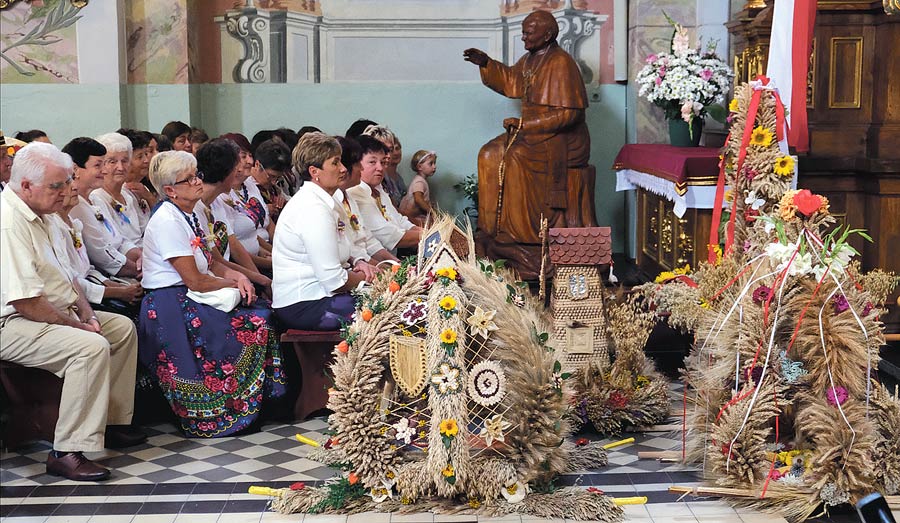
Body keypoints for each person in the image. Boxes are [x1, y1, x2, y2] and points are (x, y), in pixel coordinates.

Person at [1, 142, 143, 481]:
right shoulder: (9, 223)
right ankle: (66, 451)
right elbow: (26, 302)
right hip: (11, 322)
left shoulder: (45, 213)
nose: (66, 192)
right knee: (88, 347)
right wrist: (78, 328)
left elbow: (69, 276)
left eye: (67, 182)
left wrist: (87, 314)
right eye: (57, 186)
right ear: (26, 185)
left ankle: (109, 422)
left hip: (48, 311)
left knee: (120, 329)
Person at [138, 150, 286, 437]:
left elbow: (213, 261)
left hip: (197, 293)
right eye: (189, 179)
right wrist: (233, 285)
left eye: (197, 176)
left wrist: (240, 277)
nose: (197, 182)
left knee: (262, 311)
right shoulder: (167, 220)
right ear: (170, 190)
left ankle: (259, 404)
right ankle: (222, 412)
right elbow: (194, 280)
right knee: (253, 323)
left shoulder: (193, 212)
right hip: (172, 303)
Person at [464, 10, 593, 279]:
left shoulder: (561, 63)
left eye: (528, 33)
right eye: (523, 32)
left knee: (514, 159)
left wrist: (526, 124)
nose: (523, 37)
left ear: (547, 35)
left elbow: (570, 115)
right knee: (489, 154)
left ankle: (524, 236)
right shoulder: (532, 59)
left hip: (561, 138)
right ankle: (491, 230)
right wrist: (486, 63)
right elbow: (512, 80)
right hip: (532, 132)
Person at [272, 132, 377, 331]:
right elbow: (334, 281)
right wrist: (368, 278)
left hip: (321, 296)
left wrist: (359, 262)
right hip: (304, 304)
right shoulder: (313, 209)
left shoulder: (327, 200)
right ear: (314, 172)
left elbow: (344, 244)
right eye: (335, 163)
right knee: (386, 308)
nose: (343, 168)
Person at [49, 171, 143, 312]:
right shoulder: (56, 227)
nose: (74, 187)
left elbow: (88, 269)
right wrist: (119, 291)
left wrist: (117, 286)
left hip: (97, 283)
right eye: (65, 184)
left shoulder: (72, 221)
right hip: (78, 300)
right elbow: (73, 279)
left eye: (72, 180)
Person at [194, 139, 271, 292]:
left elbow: (234, 245)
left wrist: (261, 280)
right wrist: (259, 279)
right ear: (226, 172)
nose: (238, 173)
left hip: (227, 276)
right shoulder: (196, 207)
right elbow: (216, 261)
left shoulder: (216, 201)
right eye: (236, 168)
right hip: (213, 282)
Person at [63, 137, 142, 279]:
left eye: (104, 164)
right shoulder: (76, 205)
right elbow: (100, 254)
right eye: (98, 165)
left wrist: (141, 257)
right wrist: (139, 271)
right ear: (76, 170)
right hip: (107, 276)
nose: (104, 171)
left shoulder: (95, 199)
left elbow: (120, 240)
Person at [346, 135, 421, 253]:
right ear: (357, 164)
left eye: (382, 162)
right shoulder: (356, 191)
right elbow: (389, 235)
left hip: (389, 258)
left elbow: (399, 220)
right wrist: (430, 234)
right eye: (372, 162)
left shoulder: (378, 188)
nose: (380, 168)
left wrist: (425, 231)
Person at [336, 136, 399, 264]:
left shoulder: (348, 197)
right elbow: (351, 250)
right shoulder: (337, 199)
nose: (361, 168)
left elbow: (368, 240)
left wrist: (396, 265)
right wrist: (382, 268)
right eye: (357, 164)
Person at [91, 133, 144, 245]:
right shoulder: (97, 198)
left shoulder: (128, 195)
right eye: (112, 161)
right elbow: (114, 243)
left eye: (124, 161)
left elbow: (144, 231)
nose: (120, 167)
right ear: (101, 165)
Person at [118, 128, 157, 231]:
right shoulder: (120, 191)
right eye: (140, 157)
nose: (146, 160)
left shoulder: (142, 188)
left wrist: (149, 198)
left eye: (146, 154)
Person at [399, 150, 437, 225]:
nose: (434, 167)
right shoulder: (419, 182)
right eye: (430, 164)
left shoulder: (421, 180)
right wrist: (431, 211)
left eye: (434, 163)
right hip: (412, 218)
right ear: (419, 167)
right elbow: (418, 199)